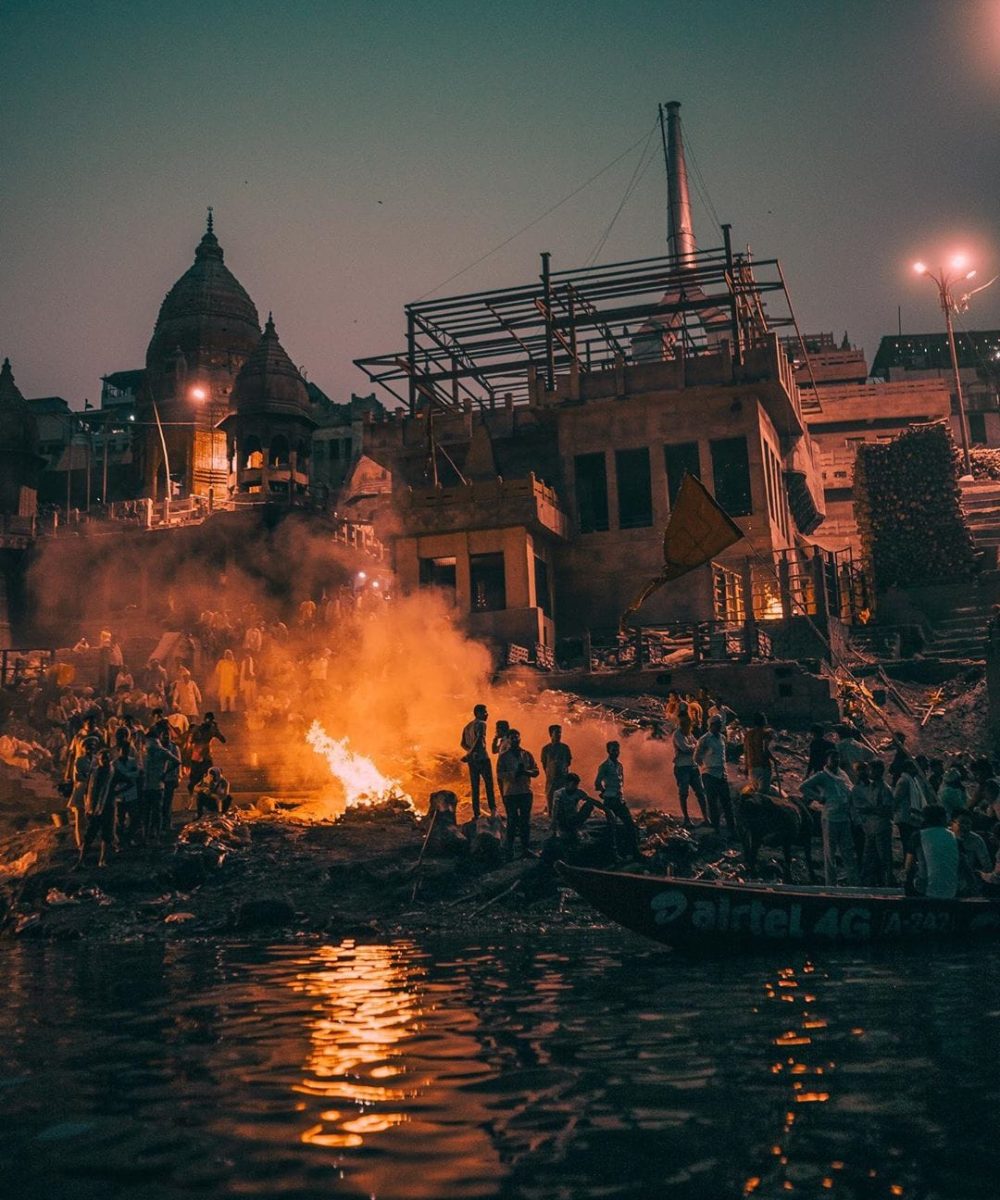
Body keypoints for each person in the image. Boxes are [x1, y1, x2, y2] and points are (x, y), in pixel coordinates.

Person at [802, 749, 859, 886]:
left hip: (844, 818)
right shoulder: (822, 776)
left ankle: (854, 883)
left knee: (848, 851)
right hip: (830, 818)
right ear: (827, 760)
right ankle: (831, 884)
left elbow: (850, 790)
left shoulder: (842, 774)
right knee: (830, 853)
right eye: (833, 759)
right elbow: (803, 787)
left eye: (837, 759)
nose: (836, 761)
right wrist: (819, 798)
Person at [851, 759, 895, 886]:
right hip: (870, 828)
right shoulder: (870, 787)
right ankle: (867, 884)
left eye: (870, 770)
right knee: (868, 858)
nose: (868, 772)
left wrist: (870, 810)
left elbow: (887, 810)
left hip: (882, 827)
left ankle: (888, 883)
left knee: (884, 858)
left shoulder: (885, 789)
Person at [496, 729, 539, 857]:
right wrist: (514, 774)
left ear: (520, 738)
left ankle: (525, 849)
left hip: (525, 791)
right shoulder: (503, 757)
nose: (515, 740)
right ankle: (510, 850)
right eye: (512, 738)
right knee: (512, 821)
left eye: (517, 737)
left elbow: (536, 771)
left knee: (525, 821)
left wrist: (526, 772)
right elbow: (499, 774)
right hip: (511, 793)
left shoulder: (527, 754)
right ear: (508, 740)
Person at [595, 740, 639, 858]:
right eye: (613, 750)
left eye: (617, 750)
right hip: (610, 800)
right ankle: (614, 854)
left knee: (629, 825)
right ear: (608, 751)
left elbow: (621, 783)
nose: (616, 752)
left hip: (619, 799)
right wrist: (604, 792)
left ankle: (634, 852)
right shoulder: (604, 766)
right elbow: (597, 783)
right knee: (613, 828)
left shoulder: (619, 766)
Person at [907, 804, 958, 899]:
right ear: (943, 818)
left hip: (926, 888)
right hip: (952, 889)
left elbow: (908, 865)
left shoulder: (918, 836)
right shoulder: (954, 837)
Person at [77, 748, 116, 868]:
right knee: (89, 836)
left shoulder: (113, 772)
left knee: (106, 835)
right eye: (103, 758)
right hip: (94, 808)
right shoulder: (93, 772)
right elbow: (87, 790)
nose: (105, 760)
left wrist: (114, 793)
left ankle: (102, 860)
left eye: (107, 758)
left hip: (108, 807)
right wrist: (87, 807)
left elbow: (129, 781)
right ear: (98, 759)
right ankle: (81, 861)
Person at [694, 715, 731, 832]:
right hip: (709, 774)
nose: (719, 727)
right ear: (711, 725)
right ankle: (715, 828)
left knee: (727, 803)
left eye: (720, 725)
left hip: (722, 774)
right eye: (717, 725)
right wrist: (706, 766)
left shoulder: (723, 738)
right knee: (712, 803)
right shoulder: (705, 739)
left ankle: (732, 829)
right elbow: (696, 757)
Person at [460, 704, 495, 819]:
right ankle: (493, 812)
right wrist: (472, 752)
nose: (487, 714)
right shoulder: (481, 724)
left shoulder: (467, 726)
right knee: (489, 785)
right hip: (483, 759)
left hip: (472, 761)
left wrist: (469, 752)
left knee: (475, 787)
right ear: (478, 713)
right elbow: (479, 739)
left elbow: (462, 744)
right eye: (485, 712)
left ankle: (476, 814)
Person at [952, 810, 992, 895]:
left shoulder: (976, 840)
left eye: (968, 824)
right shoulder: (946, 837)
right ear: (952, 823)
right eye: (962, 822)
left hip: (967, 881)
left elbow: (986, 864)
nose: (965, 827)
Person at [186, 712, 227, 796]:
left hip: (203, 757)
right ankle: (192, 799)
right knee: (195, 780)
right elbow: (191, 741)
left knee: (207, 778)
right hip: (198, 757)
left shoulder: (209, 729)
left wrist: (216, 730)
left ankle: (201, 798)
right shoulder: (199, 729)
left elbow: (223, 739)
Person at [66, 742, 96, 850]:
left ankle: (88, 842)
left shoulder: (97, 759)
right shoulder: (79, 760)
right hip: (81, 789)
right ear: (83, 748)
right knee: (79, 818)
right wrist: (90, 779)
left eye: (92, 747)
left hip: (92, 791)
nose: (90, 750)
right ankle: (80, 843)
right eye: (88, 747)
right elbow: (79, 776)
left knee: (89, 817)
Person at [893, 759, 925, 856]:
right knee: (908, 842)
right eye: (914, 767)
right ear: (908, 769)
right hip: (905, 817)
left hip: (911, 817)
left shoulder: (913, 780)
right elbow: (896, 798)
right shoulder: (904, 781)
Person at [540, 725, 572, 819]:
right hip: (551, 781)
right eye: (556, 732)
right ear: (551, 734)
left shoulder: (565, 748)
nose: (559, 735)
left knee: (563, 804)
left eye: (560, 732)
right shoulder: (546, 749)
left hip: (563, 780)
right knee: (551, 804)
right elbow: (544, 764)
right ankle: (553, 827)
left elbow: (568, 762)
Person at [743, 713, 775, 794]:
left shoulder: (748, 734)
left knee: (755, 792)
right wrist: (774, 760)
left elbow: (746, 752)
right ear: (764, 721)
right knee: (763, 795)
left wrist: (746, 768)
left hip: (752, 767)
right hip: (763, 766)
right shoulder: (765, 734)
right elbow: (765, 750)